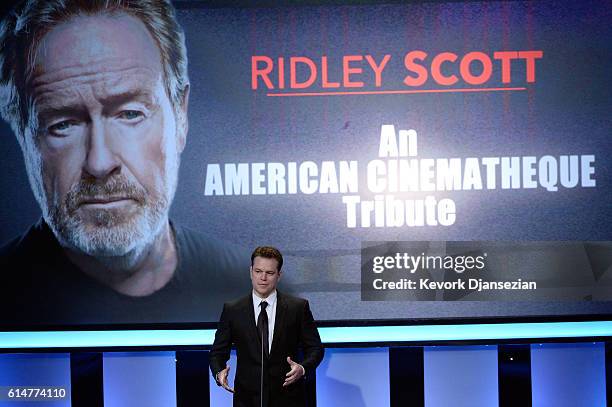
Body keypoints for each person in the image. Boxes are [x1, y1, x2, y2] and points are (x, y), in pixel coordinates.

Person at [0, 0, 249, 325]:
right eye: (62, 124)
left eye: (130, 114)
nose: (100, 163)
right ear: (22, 132)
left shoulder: (251, 289)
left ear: (181, 116)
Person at [210, 246, 324, 407]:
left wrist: (302, 368)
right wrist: (219, 372)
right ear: (251, 272)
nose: (263, 277)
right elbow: (217, 352)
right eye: (258, 271)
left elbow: (315, 348)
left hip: (288, 398)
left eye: (269, 273)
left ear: (279, 275)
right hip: (247, 400)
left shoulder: (297, 308)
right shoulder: (233, 310)